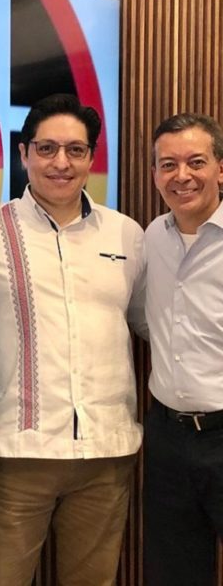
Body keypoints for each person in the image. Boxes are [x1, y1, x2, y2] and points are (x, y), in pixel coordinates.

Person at [0, 93, 146, 585]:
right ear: (23, 154)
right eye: (47, 149)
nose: (62, 163)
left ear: (91, 158)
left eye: (76, 151)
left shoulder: (125, 234)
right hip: (19, 454)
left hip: (107, 453)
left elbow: (146, 323)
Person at [144, 113, 223, 586]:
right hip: (167, 436)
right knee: (174, 572)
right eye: (167, 164)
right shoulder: (151, 238)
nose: (181, 176)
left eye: (195, 161)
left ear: (220, 168)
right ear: (154, 173)